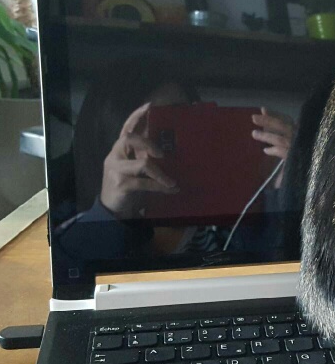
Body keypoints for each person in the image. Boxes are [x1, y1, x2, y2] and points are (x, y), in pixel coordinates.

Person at [55, 61, 297, 263]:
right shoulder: (71, 230)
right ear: (112, 137)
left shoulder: (232, 221)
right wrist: (109, 215)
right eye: (149, 126)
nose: (157, 144)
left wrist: (292, 190)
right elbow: (72, 287)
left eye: (179, 121)